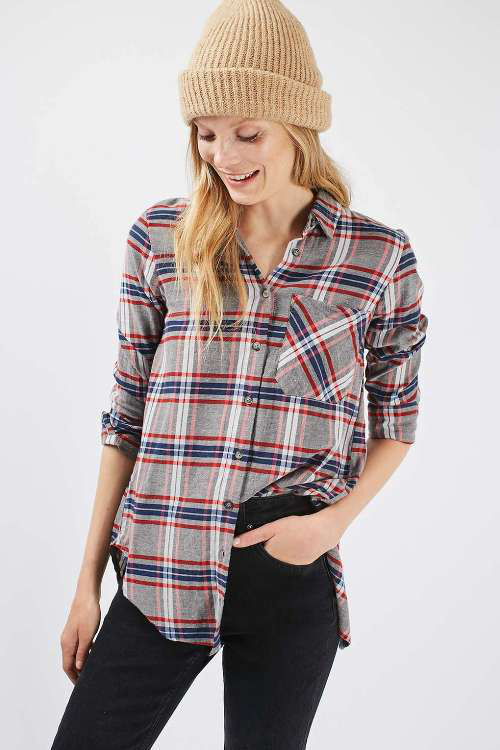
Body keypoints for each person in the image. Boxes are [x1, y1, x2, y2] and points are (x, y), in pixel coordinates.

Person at [50, 0, 429, 748]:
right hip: (159, 563)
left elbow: (398, 421)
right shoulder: (161, 240)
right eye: (206, 133)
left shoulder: (376, 258)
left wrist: (329, 526)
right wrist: (86, 585)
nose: (224, 155)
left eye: (247, 133)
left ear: (298, 127)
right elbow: (124, 419)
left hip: (287, 571)